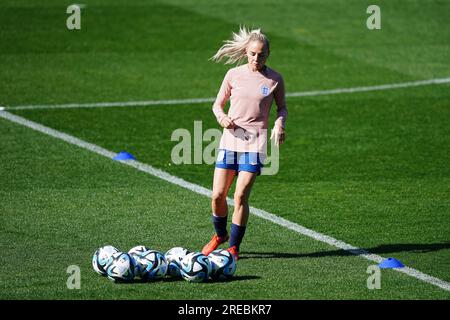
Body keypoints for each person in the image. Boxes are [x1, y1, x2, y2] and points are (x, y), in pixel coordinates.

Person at [202, 26, 288, 261]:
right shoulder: (233, 74)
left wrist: (279, 124)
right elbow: (217, 104)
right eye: (252, 53)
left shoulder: (275, 80)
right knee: (218, 195)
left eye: (261, 54)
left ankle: (234, 247)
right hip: (230, 141)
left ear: (268, 53)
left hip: (255, 144)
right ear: (246, 52)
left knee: (240, 196)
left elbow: (282, 108)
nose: (256, 58)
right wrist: (222, 118)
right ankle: (220, 235)